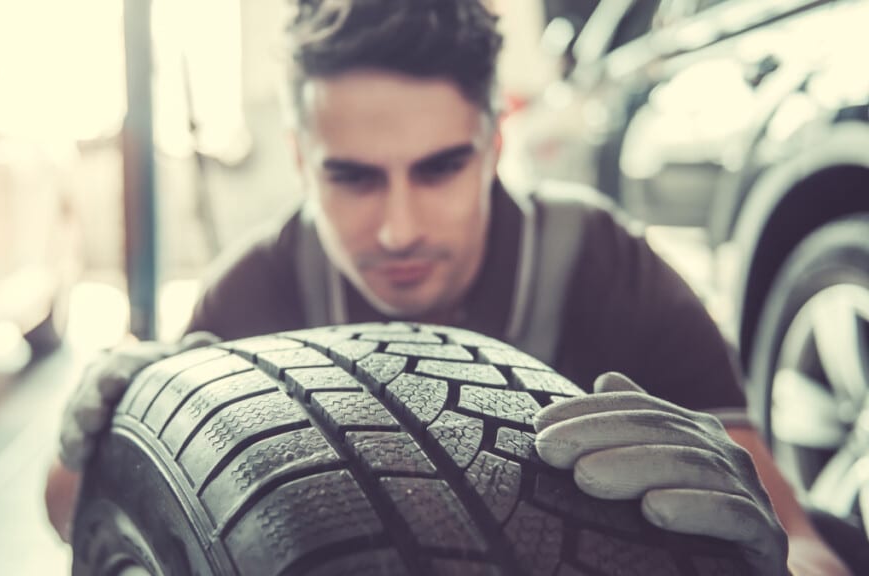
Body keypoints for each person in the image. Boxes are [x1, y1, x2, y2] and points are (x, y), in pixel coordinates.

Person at [46, 0, 852, 573]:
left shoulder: (600, 263)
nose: (398, 228)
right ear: (300, 160)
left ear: (494, 140)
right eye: (353, 178)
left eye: (438, 169)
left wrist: (766, 562)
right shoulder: (257, 291)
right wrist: (95, 444)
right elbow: (86, 517)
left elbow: (809, 544)